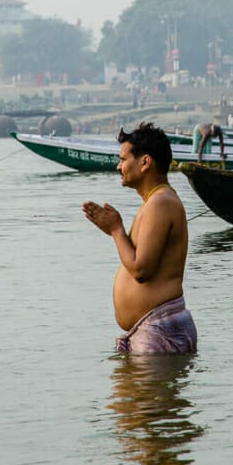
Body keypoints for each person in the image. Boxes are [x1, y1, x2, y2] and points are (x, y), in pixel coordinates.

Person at [82, 122, 197, 354]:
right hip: (151, 328)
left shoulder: (161, 202)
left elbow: (141, 270)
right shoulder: (155, 201)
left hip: (159, 329)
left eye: (123, 159)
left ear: (145, 162)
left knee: (149, 392)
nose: (118, 166)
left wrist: (116, 230)